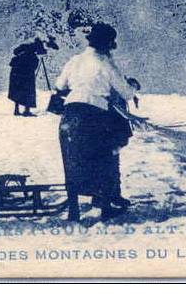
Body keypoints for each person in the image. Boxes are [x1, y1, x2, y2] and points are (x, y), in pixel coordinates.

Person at [53, 22, 140, 222]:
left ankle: (74, 211)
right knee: (104, 159)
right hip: (94, 115)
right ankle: (106, 207)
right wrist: (132, 86)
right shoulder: (105, 63)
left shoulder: (75, 60)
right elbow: (125, 92)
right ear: (107, 45)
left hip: (70, 113)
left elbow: (60, 85)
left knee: (71, 160)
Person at [8, 39, 46, 117]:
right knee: (29, 91)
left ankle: (16, 110)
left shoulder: (23, 49)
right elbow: (33, 66)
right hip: (26, 75)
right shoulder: (32, 54)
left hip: (15, 74)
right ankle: (27, 110)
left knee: (17, 91)